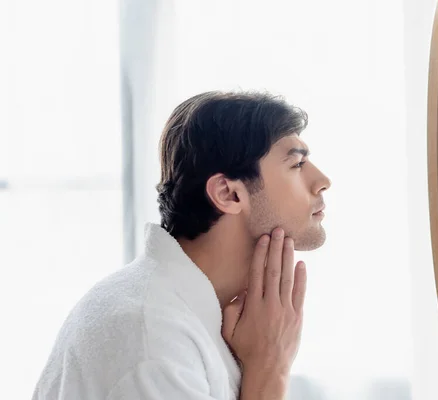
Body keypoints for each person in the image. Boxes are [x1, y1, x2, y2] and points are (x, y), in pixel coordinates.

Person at [32, 91, 331, 400]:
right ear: (228, 194)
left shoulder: (192, 317)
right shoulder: (151, 342)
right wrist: (270, 370)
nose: (323, 180)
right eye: (297, 164)